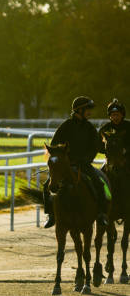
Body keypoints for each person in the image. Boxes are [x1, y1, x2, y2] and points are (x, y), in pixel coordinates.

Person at [43, 96, 108, 228]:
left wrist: (87, 159)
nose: (90, 112)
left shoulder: (90, 128)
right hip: (65, 165)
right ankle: (51, 215)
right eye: (88, 109)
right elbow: (54, 144)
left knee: (98, 183)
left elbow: (95, 147)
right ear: (79, 110)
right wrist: (63, 157)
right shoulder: (66, 125)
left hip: (84, 164)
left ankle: (101, 214)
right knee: (46, 185)